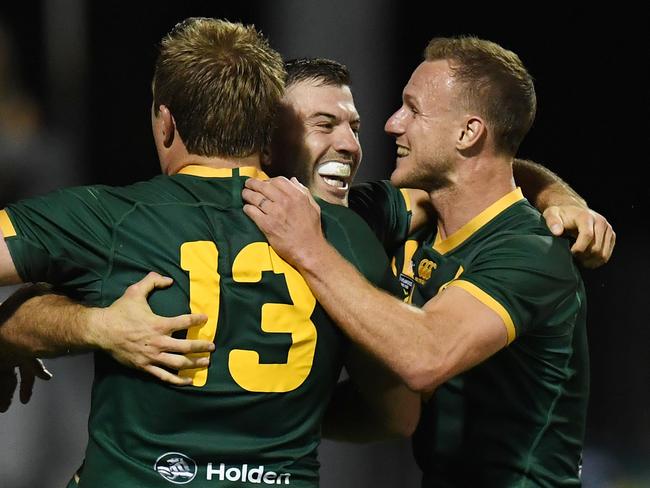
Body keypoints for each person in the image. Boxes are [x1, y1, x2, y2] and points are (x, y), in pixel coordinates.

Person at [0, 18, 417, 487]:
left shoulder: (113, 220)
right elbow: (398, 414)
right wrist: (282, 415)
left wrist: (71, 327)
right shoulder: (346, 235)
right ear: (265, 130)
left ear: (166, 122)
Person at [241, 39, 598, 486]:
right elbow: (395, 416)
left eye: (412, 109)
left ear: (468, 133)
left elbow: (425, 355)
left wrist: (310, 250)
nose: (391, 125)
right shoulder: (408, 219)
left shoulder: (533, 251)